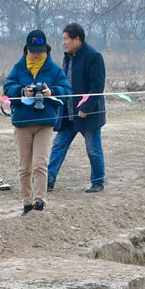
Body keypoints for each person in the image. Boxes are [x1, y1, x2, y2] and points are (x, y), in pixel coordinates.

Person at [2, 29, 71, 215]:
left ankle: (39, 202)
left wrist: (52, 92)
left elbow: (67, 90)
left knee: (40, 164)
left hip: (45, 123)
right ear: (26, 50)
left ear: (46, 49)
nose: (36, 54)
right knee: (24, 166)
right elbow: (7, 87)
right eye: (33, 51)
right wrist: (23, 91)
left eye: (40, 51)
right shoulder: (18, 68)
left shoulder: (54, 69)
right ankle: (26, 203)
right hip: (22, 123)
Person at [48, 23, 107, 193]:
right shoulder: (67, 57)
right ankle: (48, 180)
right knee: (58, 146)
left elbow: (97, 87)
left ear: (77, 39)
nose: (64, 43)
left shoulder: (94, 56)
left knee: (93, 150)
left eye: (66, 39)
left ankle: (98, 181)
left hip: (88, 115)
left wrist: (86, 108)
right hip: (68, 113)